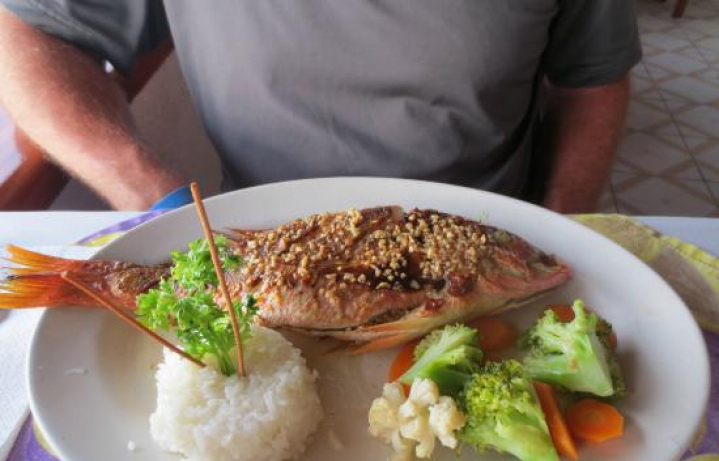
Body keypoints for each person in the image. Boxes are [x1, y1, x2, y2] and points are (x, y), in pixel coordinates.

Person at [0, 1, 640, 213]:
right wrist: (153, 196)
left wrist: (562, 229)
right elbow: (26, 33)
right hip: (256, 245)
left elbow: (592, 81)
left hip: (490, 239)